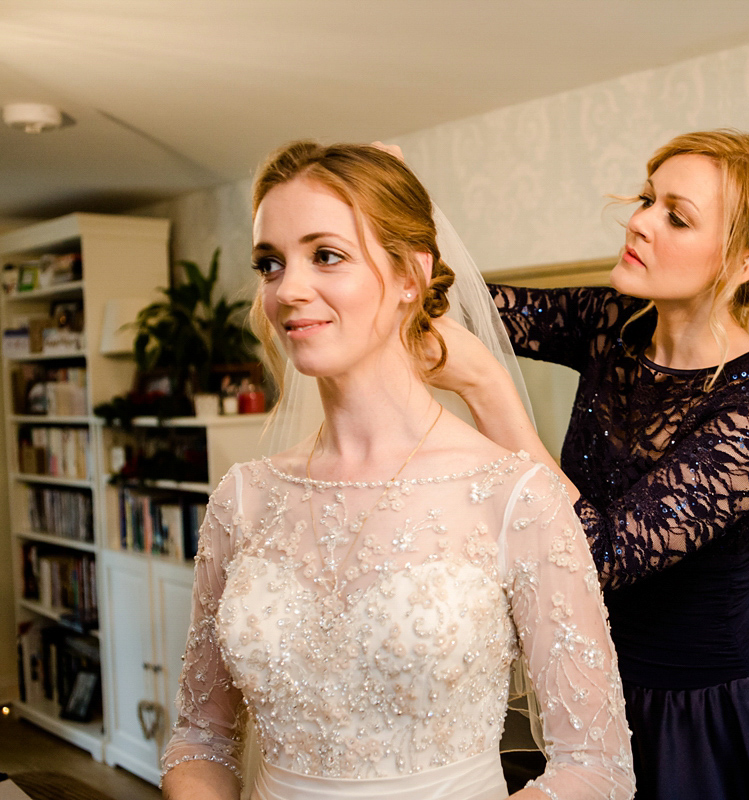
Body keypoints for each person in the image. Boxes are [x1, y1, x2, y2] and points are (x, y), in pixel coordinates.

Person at [159, 141, 634, 800]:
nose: (289, 290)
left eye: (327, 255)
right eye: (271, 263)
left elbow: (595, 764)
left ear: (411, 276)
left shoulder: (512, 494)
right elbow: (200, 738)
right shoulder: (243, 499)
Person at [431, 130, 749, 799]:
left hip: (705, 716)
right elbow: (466, 306)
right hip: (593, 689)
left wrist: (490, 393)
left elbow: (604, 554)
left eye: (676, 216)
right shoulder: (614, 322)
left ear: (743, 264)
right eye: (649, 199)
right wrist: (394, 217)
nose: (640, 221)